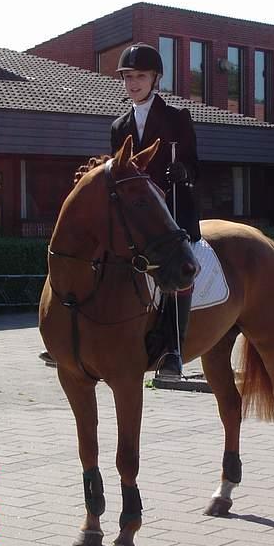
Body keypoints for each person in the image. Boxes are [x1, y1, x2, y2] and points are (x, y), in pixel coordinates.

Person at [111, 43, 201, 380]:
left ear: (155, 79)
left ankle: (173, 350)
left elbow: (195, 164)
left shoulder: (177, 118)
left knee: (178, 272)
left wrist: (184, 173)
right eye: (128, 77)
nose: (133, 83)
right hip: (135, 217)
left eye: (141, 76)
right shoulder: (119, 126)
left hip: (173, 212)